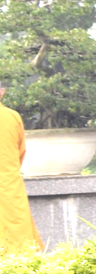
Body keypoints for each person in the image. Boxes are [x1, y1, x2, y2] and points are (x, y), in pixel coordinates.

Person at [0, 85, 42, 256]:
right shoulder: (11, 117)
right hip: (9, 186)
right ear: (2, 92)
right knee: (19, 247)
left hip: (9, 183)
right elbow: (20, 153)